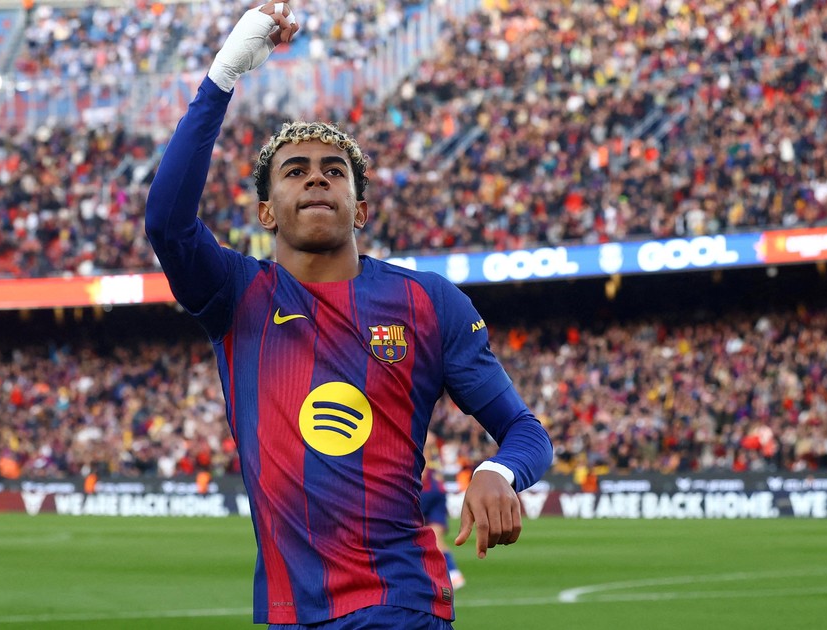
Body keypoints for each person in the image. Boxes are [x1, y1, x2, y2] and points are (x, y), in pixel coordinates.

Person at [145, 2, 553, 627]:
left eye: (334, 172)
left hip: (398, 602)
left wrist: (500, 469)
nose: (316, 179)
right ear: (266, 212)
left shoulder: (428, 302)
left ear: (360, 210)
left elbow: (527, 431)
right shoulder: (236, 295)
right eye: (296, 171)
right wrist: (222, 75)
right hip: (287, 611)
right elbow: (167, 223)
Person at [421, 433, 465, 591]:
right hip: (438, 487)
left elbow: (422, 464)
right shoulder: (433, 438)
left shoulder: (424, 435)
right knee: (436, 536)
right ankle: (453, 573)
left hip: (425, 488)